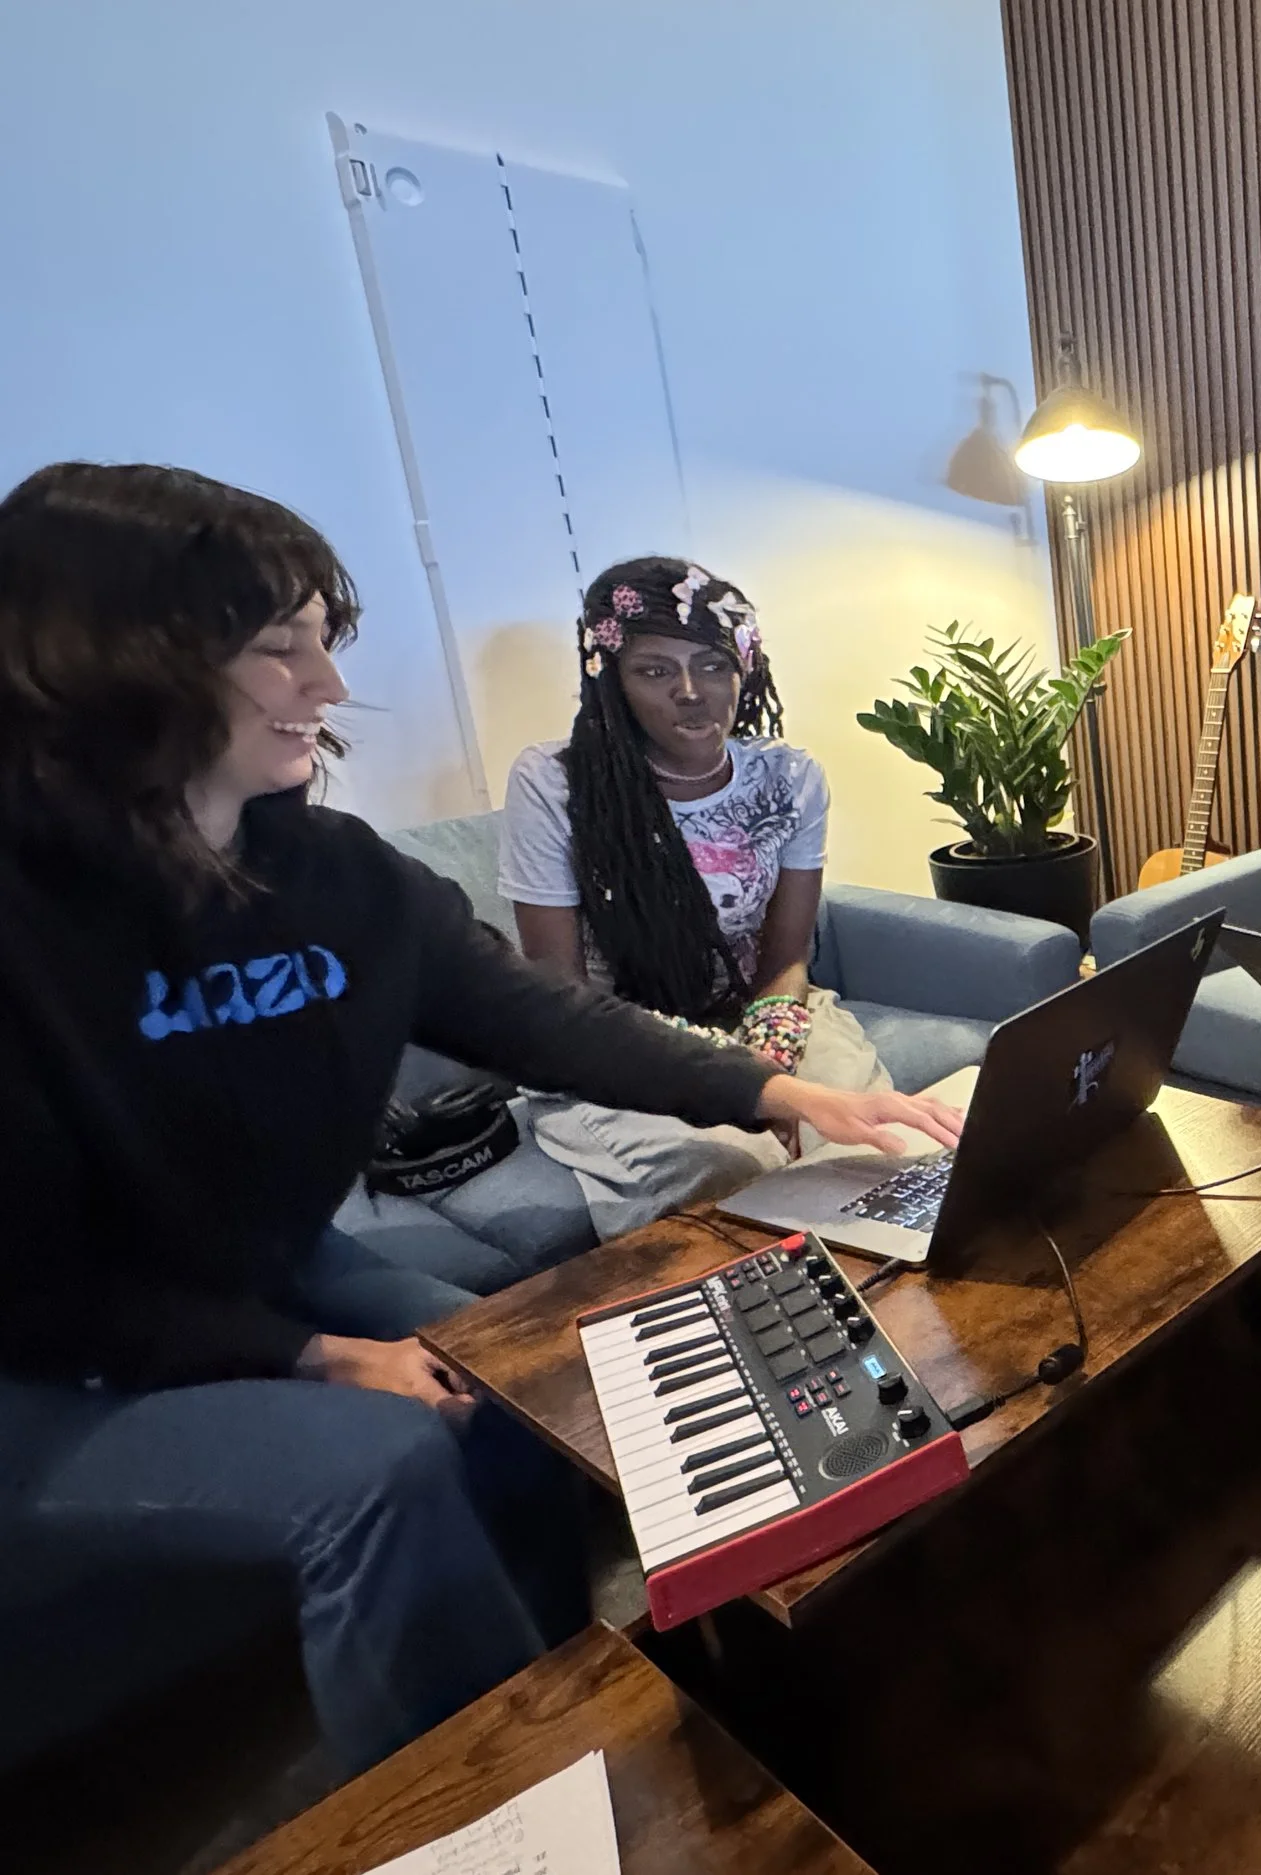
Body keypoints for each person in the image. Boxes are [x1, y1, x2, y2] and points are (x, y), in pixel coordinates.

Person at [0, 463, 959, 1775]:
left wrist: (785, 1088)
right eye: (279, 650)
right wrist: (316, 1353)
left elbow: (537, 1014)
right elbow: (37, 1285)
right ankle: (473, 1804)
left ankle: (557, 1705)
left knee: (528, 1367)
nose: (329, 688)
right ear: (113, 660)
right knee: (381, 1471)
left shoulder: (329, 878)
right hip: (52, 1355)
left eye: (323, 644)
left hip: (256, 1264)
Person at [497, 557, 888, 1241]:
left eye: (711, 664)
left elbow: (786, 958)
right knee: (742, 1163)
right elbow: (561, 993)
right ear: (609, 679)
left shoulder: (788, 778)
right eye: (654, 670)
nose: (690, 691)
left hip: (763, 1014)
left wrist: (770, 1064)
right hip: (606, 1048)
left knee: (868, 1143)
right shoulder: (553, 785)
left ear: (744, 668)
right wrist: (739, 1088)